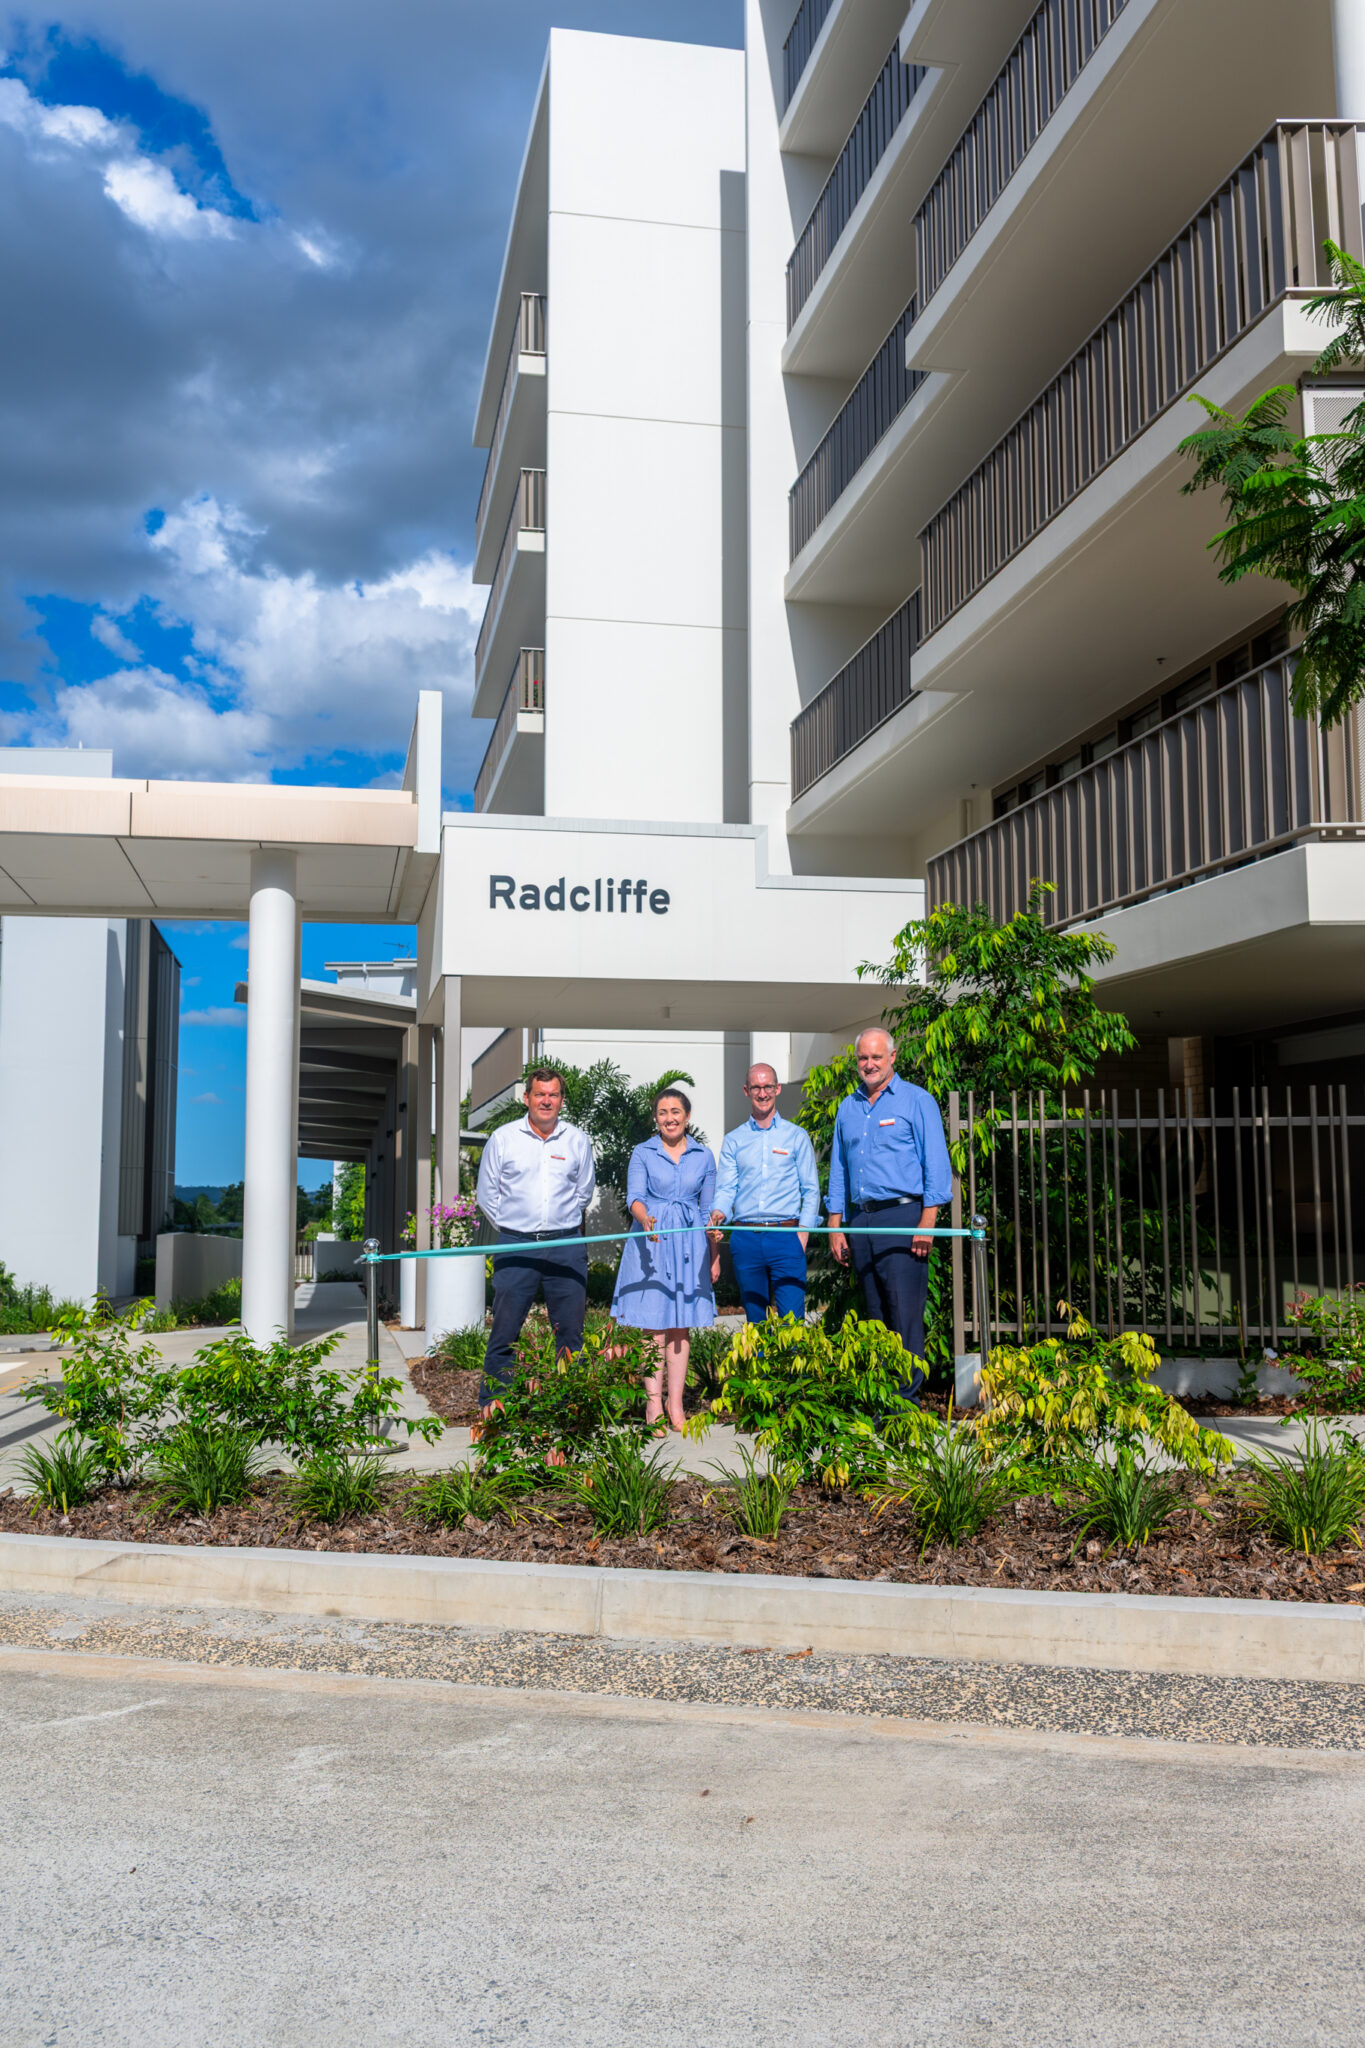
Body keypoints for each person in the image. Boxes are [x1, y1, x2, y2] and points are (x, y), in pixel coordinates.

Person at [826, 1027, 952, 1400]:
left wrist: (926, 1224)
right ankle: (883, 1402)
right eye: (863, 1058)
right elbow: (838, 1171)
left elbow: (937, 1167)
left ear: (892, 1057)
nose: (869, 1064)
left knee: (904, 1318)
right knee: (875, 1318)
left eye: (876, 1057)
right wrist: (836, 1226)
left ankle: (906, 1407)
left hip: (904, 1218)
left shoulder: (917, 1101)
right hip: (861, 1221)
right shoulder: (848, 1108)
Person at [475, 1068, 596, 1415]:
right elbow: (487, 1195)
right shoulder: (503, 1138)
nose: (546, 1101)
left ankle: (571, 1409)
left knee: (570, 1332)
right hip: (515, 1246)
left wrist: (556, 1225)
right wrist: (518, 1228)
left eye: (553, 1095)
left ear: (561, 1100)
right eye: (540, 1094)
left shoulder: (576, 1140)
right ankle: (496, 1408)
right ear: (526, 1098)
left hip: (566, 1247)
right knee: (505, 1330)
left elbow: (583, 1192)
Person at [612, 1086, 718, 1432]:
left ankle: (676, 1405)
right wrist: (644, 1219)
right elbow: (635, 1197)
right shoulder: (642, 1152)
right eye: (662, 1113)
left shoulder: (704, 1156)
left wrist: (714, 1250)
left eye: (676, 1112)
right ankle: (653, 1404)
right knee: (653, 1326)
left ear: (687, 1117)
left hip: (689, 1243)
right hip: (652, 1240)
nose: (669, 1118)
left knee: (679, 1325)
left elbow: (707, 1211)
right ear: (655, 1119)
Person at [709, 1062, 820, 1324]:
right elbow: (726, 1189)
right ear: (746, 1091)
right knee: (755, 1324)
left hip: (786, 1237)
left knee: (791, 1323)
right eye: (756, 1087)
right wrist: (717, 1214)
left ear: (778, 1088)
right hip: (746, 1239)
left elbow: (811, 1190)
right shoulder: (734, 1140)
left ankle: (788, 1367)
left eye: (768, 1086)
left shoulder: (796, 1136)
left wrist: (802, 1233)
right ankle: (760, 1365)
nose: (762, 1093)